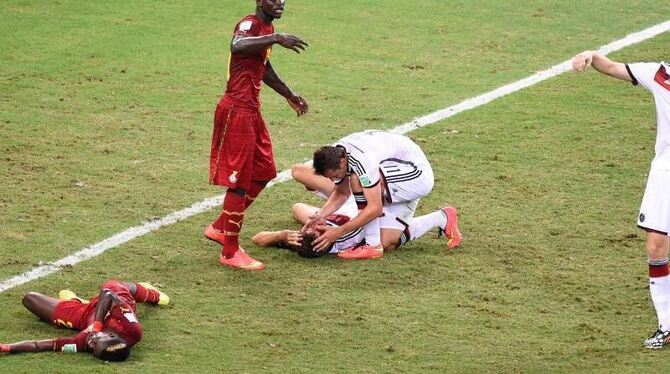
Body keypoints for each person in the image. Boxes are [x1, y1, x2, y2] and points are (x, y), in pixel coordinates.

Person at [572, 51, 670, 348]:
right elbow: (614, 67)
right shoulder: (661, 75)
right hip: (665, 171)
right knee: (655, 244)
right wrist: (591, 56)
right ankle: (667, 325)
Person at [205, 0, 310, 270]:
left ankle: (220, 227)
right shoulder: (250, 24)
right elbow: (236, 45)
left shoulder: (264, 28)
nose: (280, 2)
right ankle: (229, 252)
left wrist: (290, 94)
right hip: (236, 111)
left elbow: (263, 68)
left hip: (251, 111)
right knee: (239, 182)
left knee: (264, 172)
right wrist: (275, 37)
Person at [255, 161, 461, 259]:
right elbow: (371, 212)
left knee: (299, 174)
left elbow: (259, 237)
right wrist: (337, 227)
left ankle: (352, 178)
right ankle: (442, 218)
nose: (315, 225)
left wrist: (282, 236)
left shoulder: (313, 235)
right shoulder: (343, 240)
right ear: (324, 240)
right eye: (318, 230)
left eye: (307, 229)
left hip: (348, 198)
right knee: (387, 241)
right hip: (375, 201)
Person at [0, 280, 169, 361]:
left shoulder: (83, 343)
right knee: (112, 286)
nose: (90, 342)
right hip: (115, 305)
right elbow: (109, 296)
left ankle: (76, 303)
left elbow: (41, 345)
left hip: (85, 316)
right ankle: (150, 293)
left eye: (91, 347)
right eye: (96, 342)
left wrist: (8, 347)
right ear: (109, 336)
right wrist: (97, 325)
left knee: (30, 299)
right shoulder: (132, 329)